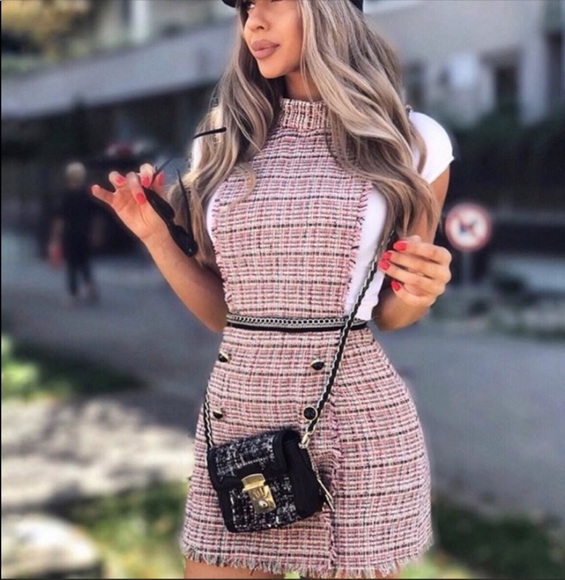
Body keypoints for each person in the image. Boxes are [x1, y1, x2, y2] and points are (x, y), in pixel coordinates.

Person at [91, 0, 454, 577]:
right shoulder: (221, 142)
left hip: (358, 427)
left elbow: (389, 314)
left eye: (270, 1)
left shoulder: (412, 140)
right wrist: (156, 237)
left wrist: (420, 291)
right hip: (238, 423)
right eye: (245, 7)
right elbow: (226, 317)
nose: (252, 22)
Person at [49, 161, 100, 306]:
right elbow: (96, 216)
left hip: (69, 233)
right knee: (84, 262)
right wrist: (96, 232)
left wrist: (55, 238)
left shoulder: (64, 195)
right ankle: (89, 287)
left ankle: (73, 294)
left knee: (71, 264)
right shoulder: (87, 194)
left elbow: (59, 219)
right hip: (84, 232)